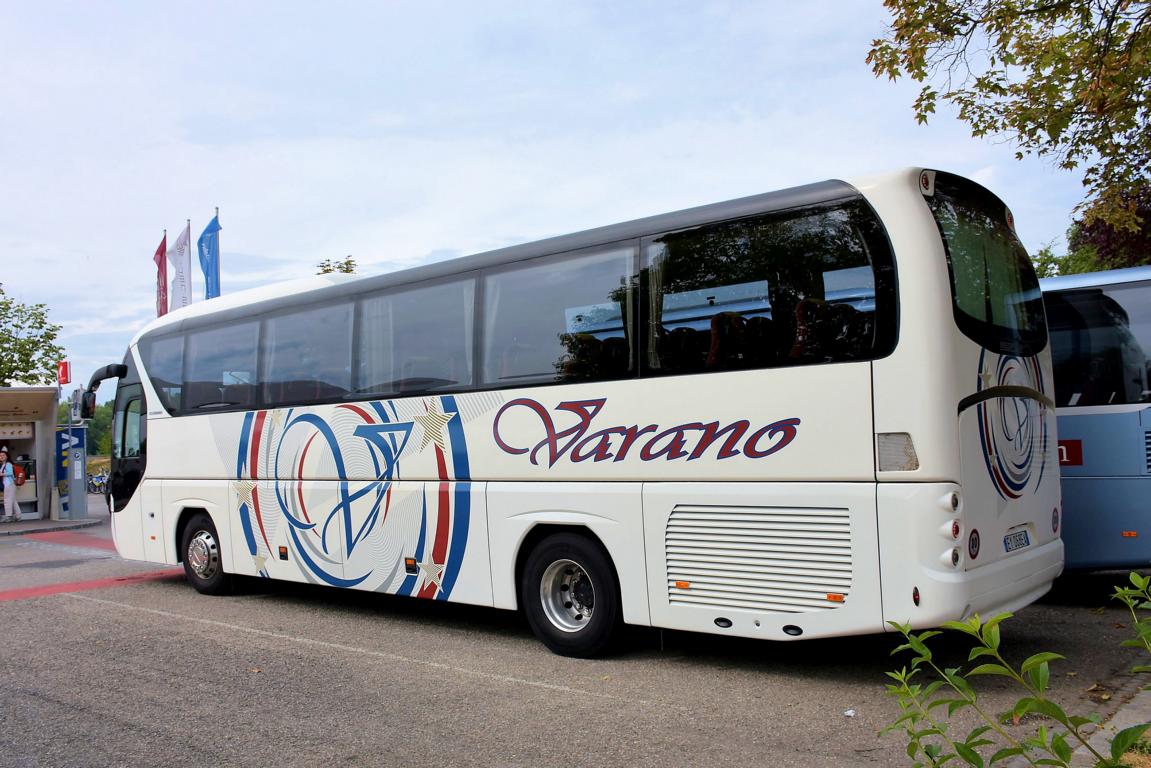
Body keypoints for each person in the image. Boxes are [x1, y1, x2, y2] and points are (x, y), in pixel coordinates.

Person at [0, 447, 19, 522]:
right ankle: (18, 516)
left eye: (3, 455)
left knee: (7, 500)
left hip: (9, 484)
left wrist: (2, 474)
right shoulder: (4, 464)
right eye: (0, 456)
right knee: (13, 500)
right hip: (9, 484)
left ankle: (9, 516)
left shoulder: (8, 464)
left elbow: (10, 473)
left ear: (7, 456)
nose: (1, 457)